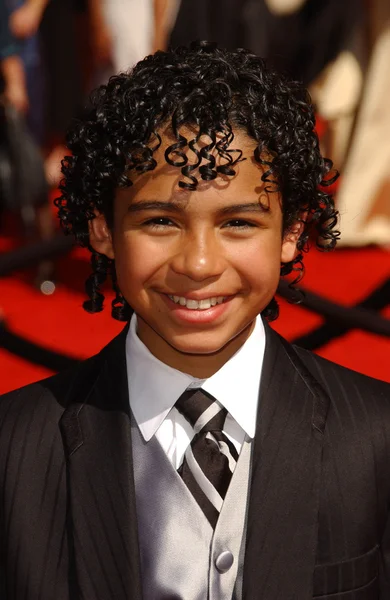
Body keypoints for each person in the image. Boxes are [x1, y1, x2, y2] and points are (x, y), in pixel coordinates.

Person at [1, 41, 389, 600]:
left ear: (291, 233)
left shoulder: (376, 438)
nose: (199, 264)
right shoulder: (14, 447)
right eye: (160, 221)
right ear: (103, 229)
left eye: (237, 223)